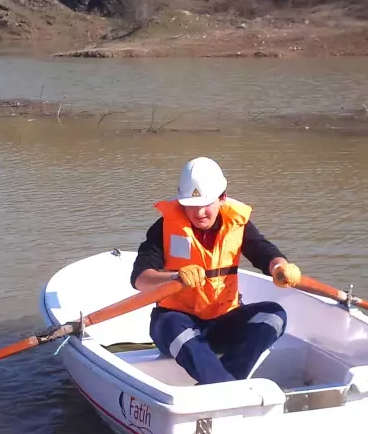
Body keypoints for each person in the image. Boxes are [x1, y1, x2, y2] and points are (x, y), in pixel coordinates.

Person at [129, 156, 303, 385]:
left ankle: (223, 382)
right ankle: (224, 387)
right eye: (191, 206)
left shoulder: (237, 225)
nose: (199, 212)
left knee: (274, 315)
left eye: (206, 204)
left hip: (223, 321)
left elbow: (263, 251)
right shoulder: (163, 228)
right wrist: (175, 277)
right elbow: (140, 278)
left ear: (222, 199)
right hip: (177, 323)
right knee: (171, 324)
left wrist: (280, 266)